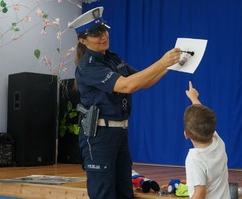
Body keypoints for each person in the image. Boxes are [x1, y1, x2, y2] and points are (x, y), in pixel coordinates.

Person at [68, 6, 181, 199]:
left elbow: (141, 81)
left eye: (104, 30)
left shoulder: (112, 59)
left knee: (125, 192)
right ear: (82, 40)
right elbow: (127, 86)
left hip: (119, 133)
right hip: (100, 137)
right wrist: (162, 62)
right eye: (95, 34)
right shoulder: (88, 66)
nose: (103, 36)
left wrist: (172, 65)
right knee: (104, 194)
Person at [184, 81, 231, 199]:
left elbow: (199, 194)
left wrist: (193, 97)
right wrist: (194, 97)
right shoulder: (217, 141)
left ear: (186, 135)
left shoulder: (195, 159)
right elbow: (203, 118)